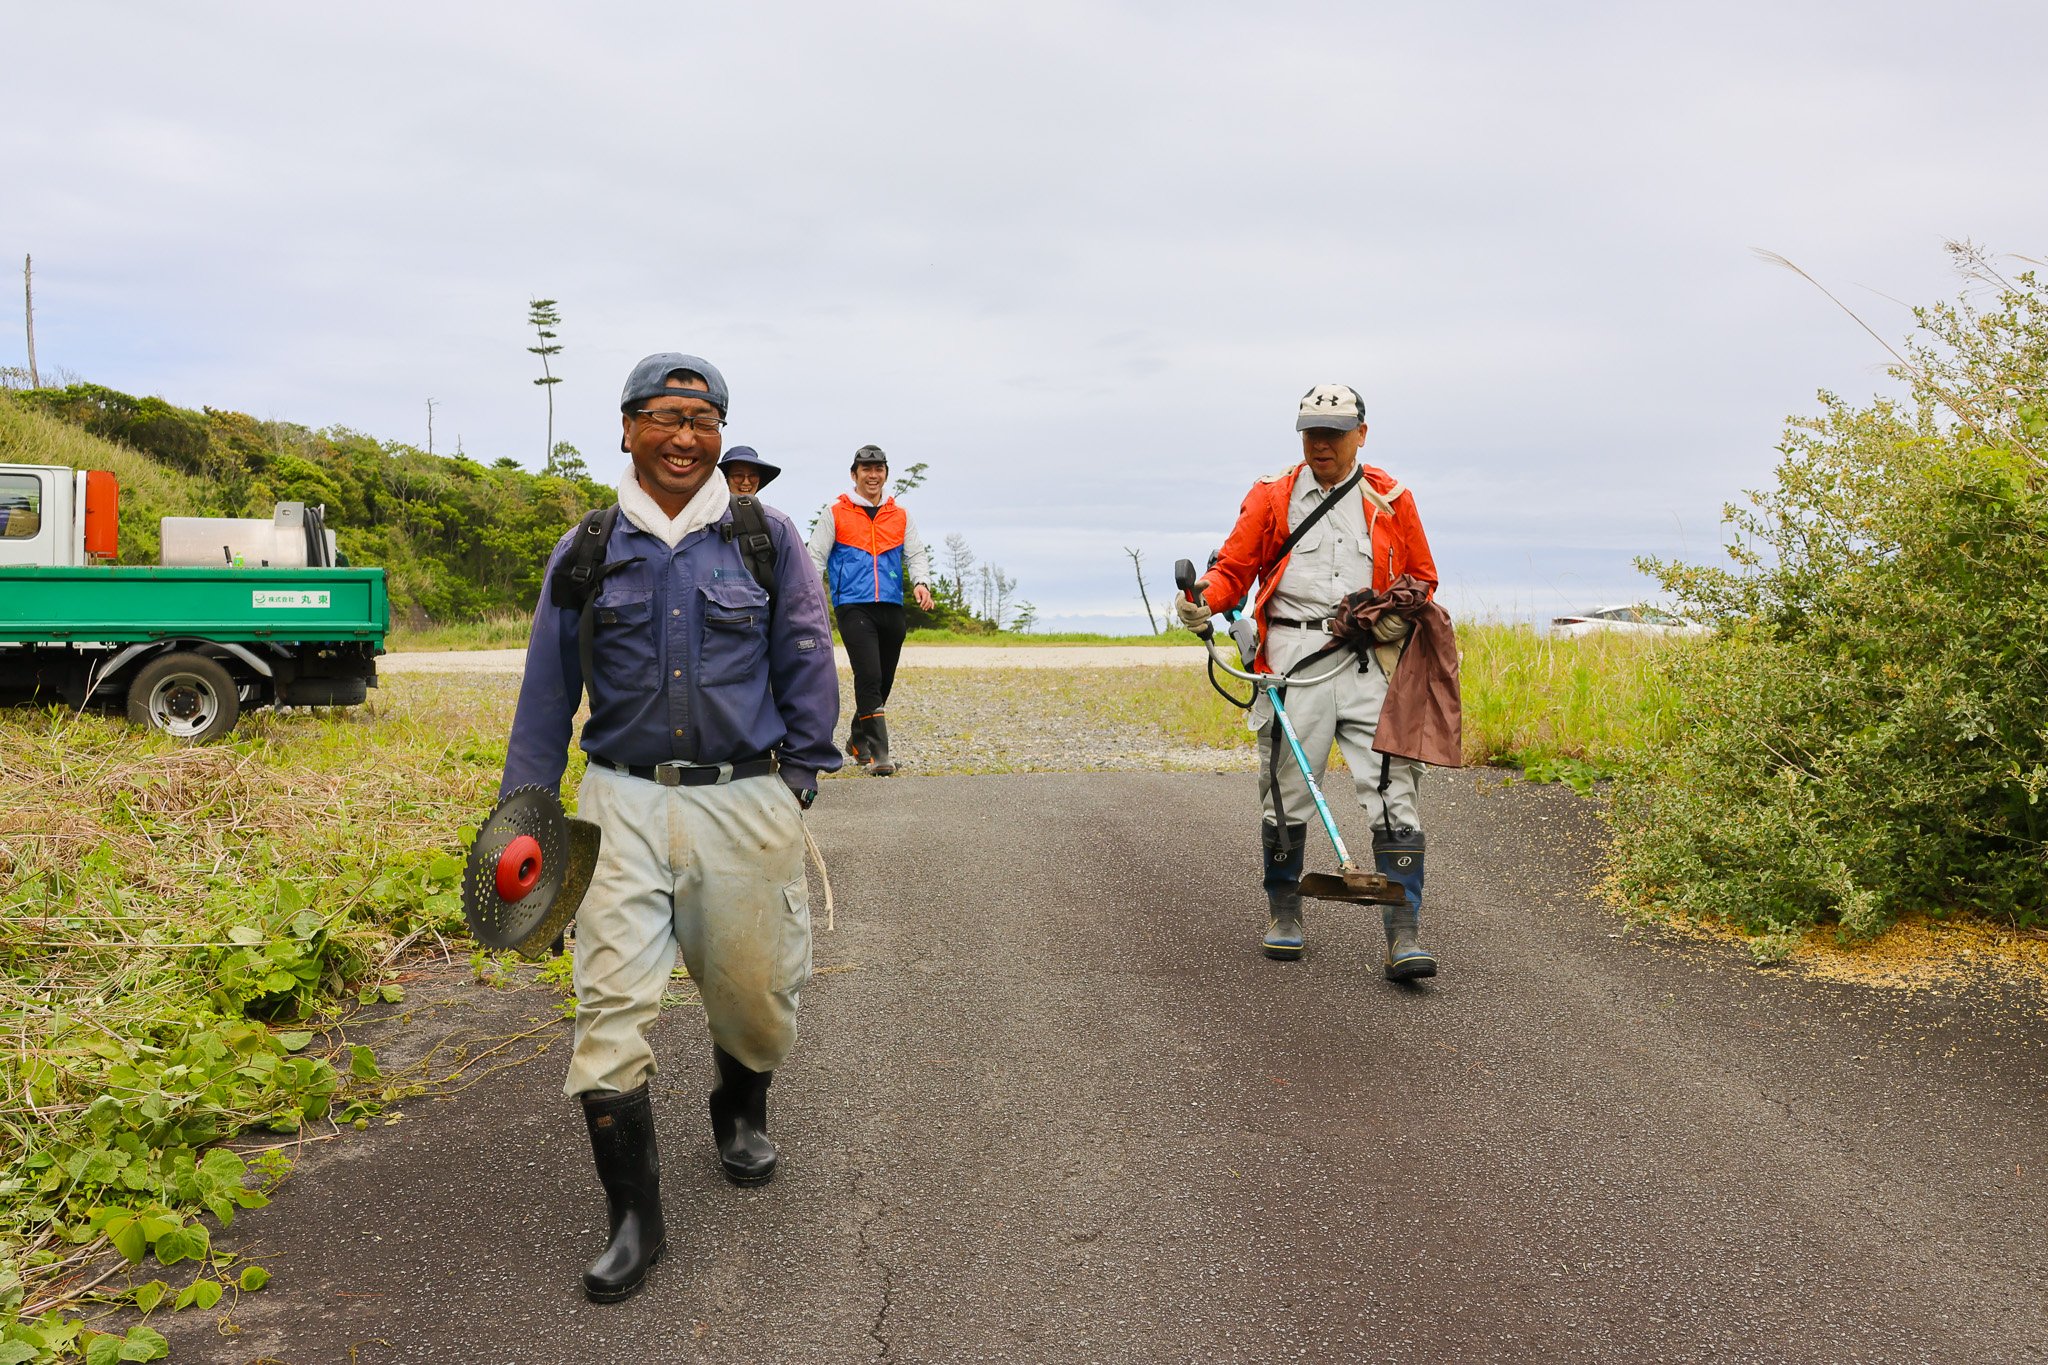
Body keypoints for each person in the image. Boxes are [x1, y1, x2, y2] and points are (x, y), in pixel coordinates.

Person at [500, 353, 841, 1303]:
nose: (685, 434)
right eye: (664, 416)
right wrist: (525, 816)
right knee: (607, 1011)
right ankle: (634, 1222)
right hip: (620, 802)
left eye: (703, 417)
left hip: (745, 798)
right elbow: (544, 695)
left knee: (758, 997)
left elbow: (807, 655)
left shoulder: (766, 538)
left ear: (721, 434)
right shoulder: (587, 549)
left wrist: (801, 778)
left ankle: (738, 1104)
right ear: (626, 429)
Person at [1175, 383, 1441, 978]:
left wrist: (1398, 613)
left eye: (1335, 432)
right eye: (1311, 432)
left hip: (1370, 656)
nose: (1321, 443)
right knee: (1287, 787)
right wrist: (1204, 601)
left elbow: (1423, 576)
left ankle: (1404, 933)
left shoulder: (1392, 498)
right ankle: (1285, 914)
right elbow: (1235, 569)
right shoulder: (1272, 495)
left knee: (1394, 784)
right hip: (1292, 657)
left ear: (1361, 435)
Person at [806, 444, 934, 776]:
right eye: (866, 469)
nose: (872, 475)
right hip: (853, 605)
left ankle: (856, 739)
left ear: (885, 474)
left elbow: (916, 554)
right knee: (869, 676)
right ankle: (880, 754)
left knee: (884, 679)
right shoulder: (835, 513)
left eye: (878, 469)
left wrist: (921, 583)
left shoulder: (900, 515)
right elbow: (814, 557)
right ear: (855, 474)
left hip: (891, 605)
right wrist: (807, 596)